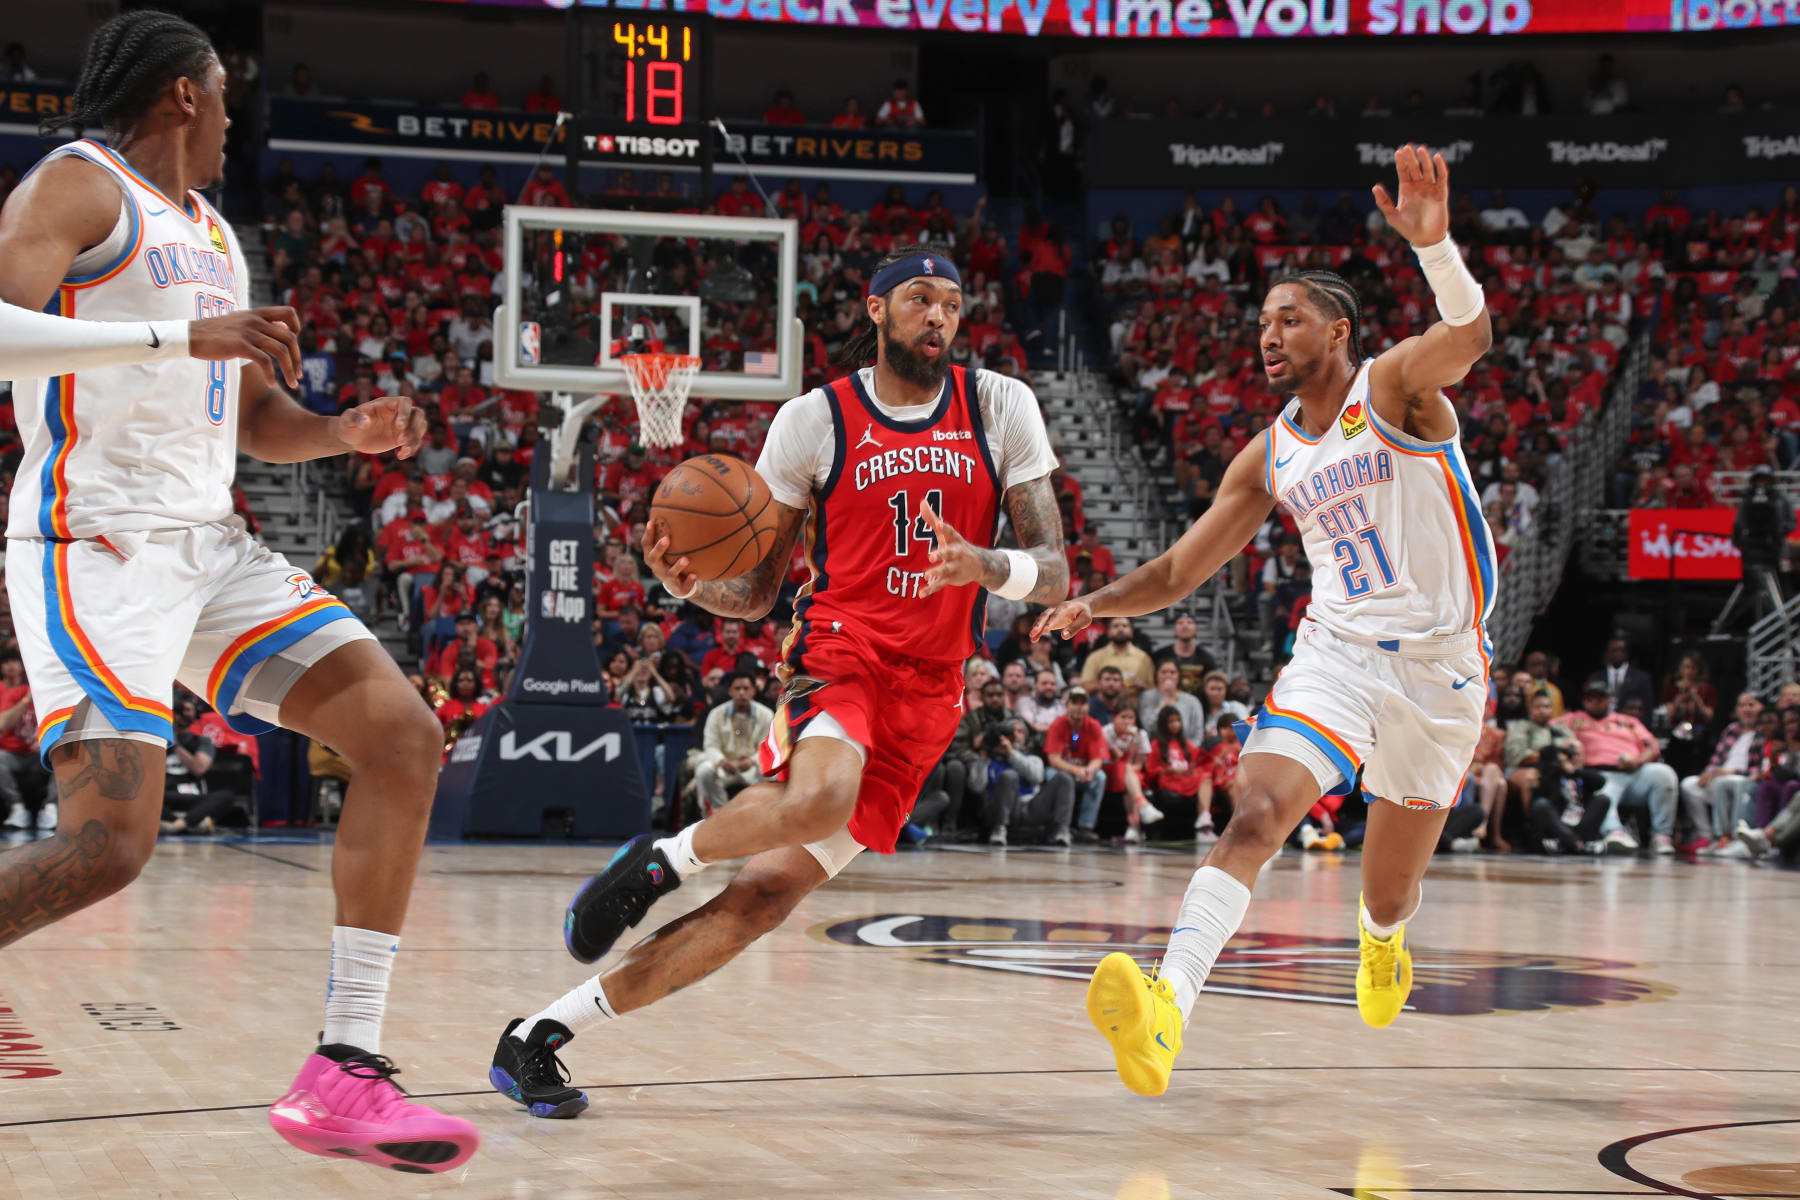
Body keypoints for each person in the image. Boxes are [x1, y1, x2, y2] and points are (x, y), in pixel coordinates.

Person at [0, 12, 477, 1172]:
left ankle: (343, 1072)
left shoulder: (215, 233)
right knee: (110, 848)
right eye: (224, 99)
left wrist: (341, 431)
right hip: (95, 544)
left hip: (210, 547)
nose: (231, 123)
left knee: (404, 739)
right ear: (181, 95)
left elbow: (250, 416)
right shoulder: (77, 186)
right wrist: (179, 337)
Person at [493, 243, 1065, 1116]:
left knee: (762, 898)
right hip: (841, 652)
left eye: (951, 302)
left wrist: (987, 565)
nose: (939, 316)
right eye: (919, 299)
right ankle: (663, 859)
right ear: (876, 309)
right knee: (822, 796)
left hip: (933, 691)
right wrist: (689, 586)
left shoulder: (1000, 406)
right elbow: (757, 593)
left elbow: (1055, 571)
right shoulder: (815, 419)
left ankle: (540, 1035)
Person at [1037, 145, 1499, 1096]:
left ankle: (1382, 942)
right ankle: (1166, 1011)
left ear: (1340, 331)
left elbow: (1471, 336)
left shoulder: (1396, 387)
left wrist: (1436, 245)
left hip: (1442, 672)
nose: (1267, 333)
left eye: (1288, 317)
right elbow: (1177, 569)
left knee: (1386, 891)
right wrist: (1094, 602)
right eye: (1260, 322)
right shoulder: (1270, 454)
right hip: (1336, 657)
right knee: (1255, 812)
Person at [1553, 680, 1673, 851]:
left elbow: (1652, 746)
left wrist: (1637, 761)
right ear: (1584, 701)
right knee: (1603, 793)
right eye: (1591, 698)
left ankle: (1661, 835)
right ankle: (1614, 832)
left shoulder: (1627, 721)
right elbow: (1544, 731)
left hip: (1633, 771)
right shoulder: (1572, 720)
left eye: (1600, 698)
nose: (1595, 702)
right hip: (1599, 774)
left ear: (1609, 700)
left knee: (1664, 774)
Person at [1679, 691, 1766, 856]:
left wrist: (1729, 772)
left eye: (1751, 704)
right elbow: (1716, 760)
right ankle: (1706, 835)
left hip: (1744, 780)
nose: (1746, 709)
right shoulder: (1731, 730)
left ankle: (1729, 838)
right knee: (1689, 785)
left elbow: (1759, 769)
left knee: (1725, 782)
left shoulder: (1764, 731)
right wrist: (1707, 773)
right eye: (1742, 705)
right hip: (1721, 778)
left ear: (1761, 707)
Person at [693, 673, 774, 816]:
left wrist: (752, 761)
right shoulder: (716, 714)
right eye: (737, 688)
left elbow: (767, 746)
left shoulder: (766, 714)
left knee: (773, 773)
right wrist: (722, 761)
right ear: (730, 691)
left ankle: (763, 814)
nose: (741, 692)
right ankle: (718, 814)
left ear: (753, 691)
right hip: (725, 767)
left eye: (746, 688)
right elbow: (710, 746)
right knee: (704, 770)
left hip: (753, 767)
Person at [1043, 686, 1109, 842]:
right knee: (1056, 776)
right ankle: (1059, 826)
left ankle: (1086, 827)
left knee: (1099, 777)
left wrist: (1089, 770)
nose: (1079, 707)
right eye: (1074, 702)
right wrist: (1075, 769)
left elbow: (1098, 758)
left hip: (1082, 772)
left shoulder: (1094, 726)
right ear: (1067, 706)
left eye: (1083, 703)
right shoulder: (1057, 725)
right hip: (1062, 770)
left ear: (1088, 706)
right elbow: (1053, 759)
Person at [1078, 616, 1155, 706]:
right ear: (1108, 631)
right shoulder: (1095, 657)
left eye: (1125, 625)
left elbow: (1154, 690)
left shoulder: (1144, 658)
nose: (1120, 629)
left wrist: (1143, 687)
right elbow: (1084, 687)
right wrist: (1106, 685)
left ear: (1131, 631)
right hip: (1103, 710)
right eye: (1115, 626)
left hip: (1136, 711)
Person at [1138, 659, 1205, 739]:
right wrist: (1162, 704)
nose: (1168, 676)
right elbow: (1148, 728)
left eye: (1172, 672)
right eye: (1164, 672)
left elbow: (1198, 732)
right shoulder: (1147, 697)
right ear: (1156, 675)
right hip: (1156, 747)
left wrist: (1190, 750)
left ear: (1179, 676)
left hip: (1186, 748)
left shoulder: (1192, 701)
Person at [1154, 613, 1216, 694]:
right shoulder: (1160, 655)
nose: (1185, 626)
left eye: (1189, 622)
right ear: (1174, 629)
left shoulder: (1207, 658)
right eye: (1180, 623)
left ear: (1196, 629)